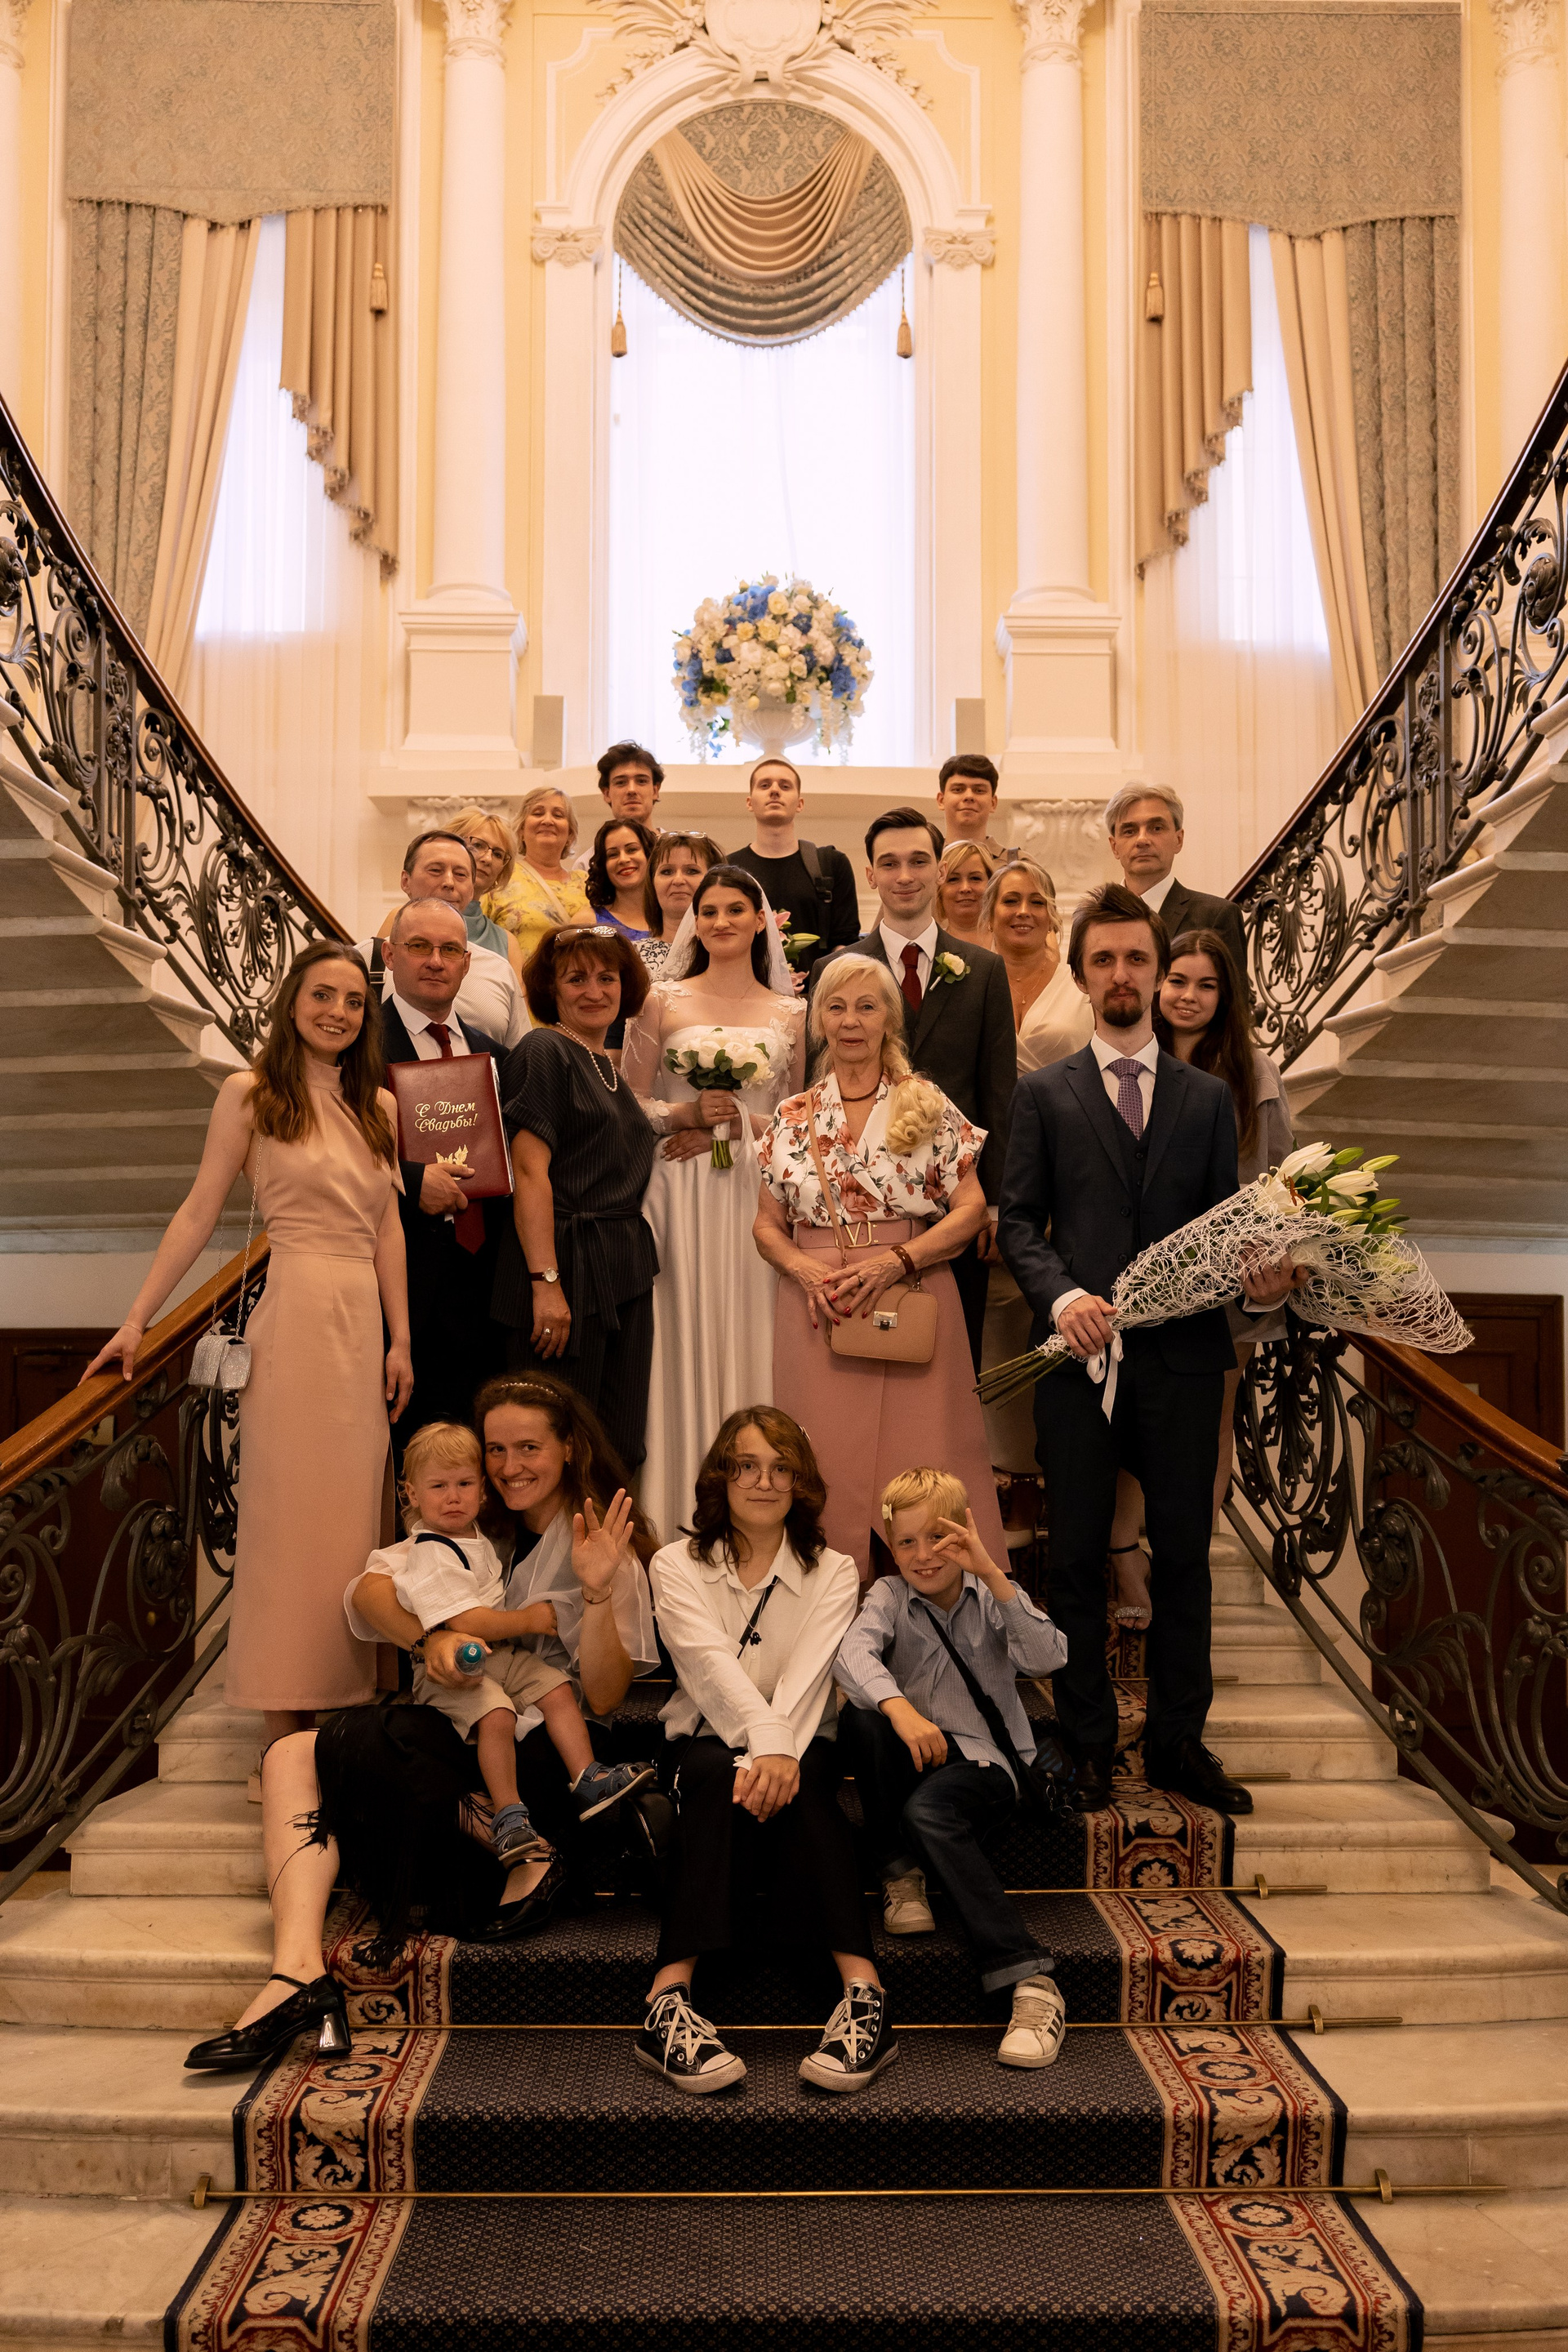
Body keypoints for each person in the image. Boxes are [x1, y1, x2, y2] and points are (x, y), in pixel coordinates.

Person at [183, 1375, 660, 2070]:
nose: (510, 1466)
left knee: (383, 1742)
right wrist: (430, 1637)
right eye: (496, 1449)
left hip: (547, 1755)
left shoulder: (600, 1541)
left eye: (529, 1447)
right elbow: (369, 1590)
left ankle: (523, 1844)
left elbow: (609, 1697)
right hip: (468, 1726)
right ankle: (298, 1975)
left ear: (569, 1448)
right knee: (288, 1754)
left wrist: (594, 1592)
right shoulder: (466, 1522)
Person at [998, 884, 1298, 1817]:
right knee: (1074, 1560)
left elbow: (1220, 1230)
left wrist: (1258, 1283)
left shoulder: (1208, 1099)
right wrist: (1064, 1297)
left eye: (1138, 959)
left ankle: (1177, 1744)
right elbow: (1018, 1222)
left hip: (1184, 1362)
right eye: (1105, 960)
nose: (1122, 975)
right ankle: (1088, 1742)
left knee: (1184, 1562)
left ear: (1160, 972)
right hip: (1075, 1362)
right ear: (1082, 976)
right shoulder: (1042, 1093)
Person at [82, 942, 412, 1744]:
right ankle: (281, 1726)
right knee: (287, 1521)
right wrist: (138, 1319)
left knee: (347, 1528)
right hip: (292, 1317)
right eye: (322, 995)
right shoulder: (249, 1094)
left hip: (361, 1327)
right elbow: (198, 1210)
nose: (337, 1012)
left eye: (353, 1001)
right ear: (292, 1002)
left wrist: (402, 1339)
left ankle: (338, 1711)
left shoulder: (382, 1106)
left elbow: (388, 1229)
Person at [638, 1409, 896, 2095]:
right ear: (721, 1476)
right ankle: (668, 2003)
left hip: (803, 1734)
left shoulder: (834, 1569)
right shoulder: (675, 1564)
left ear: (801, 1483)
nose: (763, 1481)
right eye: (747, 1465)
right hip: (703, 1735)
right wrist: (765, 1750)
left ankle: (864, 1999)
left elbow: (811, 1676)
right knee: (717, 1776)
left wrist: (778, 1752)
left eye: (781, 1468)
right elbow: (707, 1667)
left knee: (805, 1788)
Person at [755, 952, 1008, 1579]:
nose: (851, 1021)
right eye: (837, 1007)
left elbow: (970, 1211)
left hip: (913, 1294)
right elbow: (766, 1226)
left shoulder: (926, 1105)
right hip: (820, 1305)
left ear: (890, 1020)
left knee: (927, 1458)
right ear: (819, 1020)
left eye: (867, 1007)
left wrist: (897, 1260)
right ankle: (830, 1612)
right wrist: (803, 1269)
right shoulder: (792, 1116)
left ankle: (938, 1607)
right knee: (824, 1461)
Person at [835, 1468, 1069, 2067]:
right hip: (919, 1755)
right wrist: (900, 1710)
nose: (923, 1555)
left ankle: (1030, 1978)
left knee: (929, 1811)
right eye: (907, 1542)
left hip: (988, 1765)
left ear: (964, 1531)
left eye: (937, 1538)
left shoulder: (991, 1595)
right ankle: (899, 1870)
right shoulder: (889, 1596)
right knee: (863, 1720)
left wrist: (991, 1571)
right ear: (892, 1549)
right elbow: (851, 1654)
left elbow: (1048, 1658)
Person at [1105, 928, 1296, 1617]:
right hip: (1143, 1282)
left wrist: (1274, 1264)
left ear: (1226, 996)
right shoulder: (1130, 1062)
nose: (1189, 996)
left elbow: (1282, 1181)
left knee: (1210, 1430)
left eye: (1206, 985)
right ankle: (1124, 1553)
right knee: (1132, 1427)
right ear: (1158, 984)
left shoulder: (1254, 1074)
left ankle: (1184, 1565)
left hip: (1233, 1288)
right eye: (1178, 980)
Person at [362, 1419, 654, 1864]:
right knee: (496, 1715)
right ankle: (508, 1814)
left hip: (498, 1656)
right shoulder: (432, 1550)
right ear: (412, 1495)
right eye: (439, 1486)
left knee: (557, 1687)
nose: (453, 1497)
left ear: (481, 1490)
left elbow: (604, 1695)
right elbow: (464, 1618)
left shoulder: (476, 1534)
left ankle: (588, 1777)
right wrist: (528, 1619)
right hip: (456, 1666)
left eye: (464, 1484)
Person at [622, 866, 804, 1543]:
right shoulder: (660, 1001)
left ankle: (755, 1511)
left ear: (761, 921)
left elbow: (796, 1118)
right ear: (693, 923)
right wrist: (685, 1114)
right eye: (709, 911)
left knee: (753, 1328)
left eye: (736, 909)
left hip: (753, 1191)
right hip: (678, 1189)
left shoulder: (792, 1013)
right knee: (680, 1330)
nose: (721, 921)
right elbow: (629, 1101)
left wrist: (731, 1128)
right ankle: (674, 1513)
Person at [807, 808, 1017, 1370]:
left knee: (954, 1361)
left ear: (939, 872)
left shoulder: (983, 970)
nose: (905, 875)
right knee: (856, 1359)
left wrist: (996, 1206)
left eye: (919, 861)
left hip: (956, 1205)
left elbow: (999, 1092)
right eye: (889, 863)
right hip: (861, 1212)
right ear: (870, 874)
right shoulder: (834, 969)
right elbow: (818, 1088)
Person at [492, 925, 658, 1473]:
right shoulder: (544, 1050)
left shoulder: (605, 1064)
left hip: (621, 1267)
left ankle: (606, 1533)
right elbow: (529, 1173)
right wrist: (546, 1283)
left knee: (618, 1444)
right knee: (557, 1443)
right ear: (551, 988)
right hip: (565, 1265)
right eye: (576, 979)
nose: (594, 991)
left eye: (607, 978)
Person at [977, 857, 1094, 1498]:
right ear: (990, 913)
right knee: (997, 1333)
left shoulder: (1080, 985)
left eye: (1036, 900)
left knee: (1064, 1317)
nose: (1023, 911)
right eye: (1010, 900)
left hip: (1071, 1164)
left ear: (1053, 913)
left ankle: (1066, 1479)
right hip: (992, 1172)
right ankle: (1009, 1483)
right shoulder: (972, 976)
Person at [377, 897, 508, 1463]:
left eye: (450, 949)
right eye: (419, 947)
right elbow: (330, 1153)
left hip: (489, 1289)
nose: (435, 961)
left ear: (467, 962)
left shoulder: (496, 1053)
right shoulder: (357, 1046)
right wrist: (410, 1180)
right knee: (407, 1461)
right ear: (390, 956)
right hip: (403, 1287)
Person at [363, 831, 528, 1049]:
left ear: (471, 889)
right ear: (405, 880)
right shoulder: (367, 959)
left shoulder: (498, 970)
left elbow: (519, 1057)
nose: (449, 882)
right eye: (435, 870)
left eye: (460, 874)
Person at [1104, 782, 1247, 981]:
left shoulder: (1217, 917)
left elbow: (1234, 998)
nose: (1142, 840)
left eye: (1156, 828)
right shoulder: (1092, 918)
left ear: (1178, 840)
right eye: (1130, 831)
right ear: (1114, 846)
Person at [729, 757, 861, 969]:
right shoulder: (728, 870)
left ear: (800, 804)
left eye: (785, 786)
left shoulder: (831, 864)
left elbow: (845, 942)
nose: (774, 791)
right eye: (765, 785)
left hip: (817, 988)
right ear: (749, 802)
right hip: (743, 987)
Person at [484, 786, 592, 966]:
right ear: (521, 830)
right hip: (516, 982)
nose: (547, 820)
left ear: (570, 834)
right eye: (538, 813)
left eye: (558, 815)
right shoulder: (500, 876)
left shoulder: (587, 883)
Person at [638, 830, 723, 978]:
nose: (678, 880)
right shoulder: (631, 957)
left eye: (691, 871)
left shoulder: (730, 953)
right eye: (667, 872)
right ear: (652, 882)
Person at [448, 806, 517, 964]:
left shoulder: (508, 943)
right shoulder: (405, 919)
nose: (488, 859)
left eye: (498, 854)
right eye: (478, 845)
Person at [935, 752, 1012, 863]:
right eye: (958, 790)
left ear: (993, 803)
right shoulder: (924, 861)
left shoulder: (1019, 864)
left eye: (979, 790)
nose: (969, 796)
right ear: (941, 800)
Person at [936, 838, 997, 954]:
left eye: (975, 878)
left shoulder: (1009, 941)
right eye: (954, 879)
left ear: (991, 885)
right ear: (939, 889)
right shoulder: (930, 947)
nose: (965, 888)